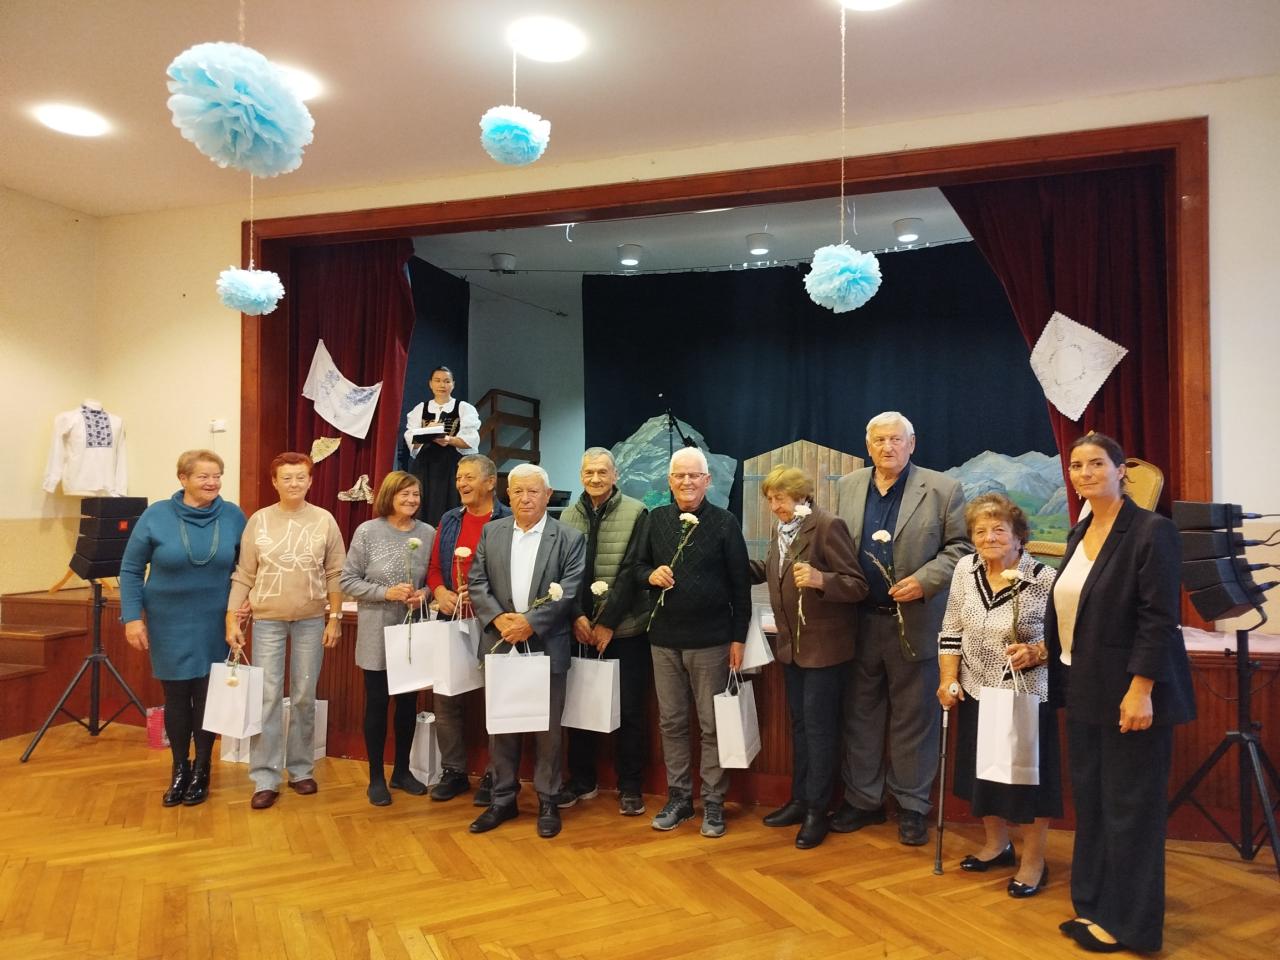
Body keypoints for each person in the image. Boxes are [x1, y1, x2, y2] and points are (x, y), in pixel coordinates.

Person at [1046, 433, 1194, 954]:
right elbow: (1077, 611)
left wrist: (1141, 689)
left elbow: (1159, 619)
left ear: (1120, 471)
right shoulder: (1080, 530)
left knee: (1131, 810)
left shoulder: (1153, 531)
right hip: (1083, 688)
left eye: (1096, 463)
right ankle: (1093, 905)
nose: (1084, 473)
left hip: (1132, 693)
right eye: (1076, 465)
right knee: (1093, 805)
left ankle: (1132, 927)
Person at [833, 411, 971, 845]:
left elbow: (961, 547)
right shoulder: (848, 486)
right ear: (868, 445)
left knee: (914, 719)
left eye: (896, 439)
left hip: (915, 623)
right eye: (879, 440)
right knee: (860, 716)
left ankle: (912, 805)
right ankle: (863, 801)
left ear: (912, 444)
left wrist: (925, 581)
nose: (887, 447)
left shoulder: (943, 489)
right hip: (858, 622)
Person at [936, 492, 1061, 896]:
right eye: (980, 531)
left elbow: (1064, 639)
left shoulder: (1043, 579)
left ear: (1019, 536)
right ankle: (997, 845)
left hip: (1024, 696)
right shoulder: (965, 569)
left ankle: (1033, 861)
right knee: (983, 776)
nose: (988, 537)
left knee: (1026, 784)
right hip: (976, 690)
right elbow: (951, 628)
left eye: (999, 530)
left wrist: (1037, 652)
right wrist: (948, 678)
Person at [634, 447, 751, 839]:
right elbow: (635, 568)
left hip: (712, 642)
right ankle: (680, 797)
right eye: (679, 475)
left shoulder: (724, 522)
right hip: (664, 640)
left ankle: (714, 801)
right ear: (669, 481)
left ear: (707, 481)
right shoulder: (654, 520)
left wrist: (738, 637)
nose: (686, 482)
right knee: (671, 723)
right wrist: (650, 576)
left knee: (712, 724)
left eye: (694, 475)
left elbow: (740, 586)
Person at [749, 465, 867, 849]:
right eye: (770, 499)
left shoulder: (828, 526)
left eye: (780, 498)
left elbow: (857, 585)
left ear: (801, 495)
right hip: (792, 648)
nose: (774, 506)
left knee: (819, 731)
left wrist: (822, 580)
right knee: (800, 728)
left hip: (824, 651)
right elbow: (774, 571)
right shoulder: (781, 529)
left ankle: (818, 809)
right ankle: (800, 800)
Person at [120, 449, 246, 806]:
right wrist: (132, 617)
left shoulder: (234, 516)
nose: (212, 483)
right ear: (183, 478)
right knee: (176, 696)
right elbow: (131, 569)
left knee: (208, 695)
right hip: (168, 619)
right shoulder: (156, 515)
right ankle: (179, 768)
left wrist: (244, 604)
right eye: (203, 476)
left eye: (217, 476)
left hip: (215, 619)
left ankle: (203, 767)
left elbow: (247, 567)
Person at [467, 463, 586, 838]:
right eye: (517, 491)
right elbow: (477, 581)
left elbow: (570, 589)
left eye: (533, 491)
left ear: (548, 495)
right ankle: (503, 799)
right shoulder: (492, 532)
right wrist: (499, 619)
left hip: (546, 644)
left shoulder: (569, 537)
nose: (525, 498)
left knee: (548, 730)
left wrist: (530, 622)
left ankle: (549, 799)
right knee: (502, 724)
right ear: (508, 494)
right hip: (501, 642)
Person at [226, 452, 347, 810]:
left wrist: (335, 618)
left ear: (310, 481)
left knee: (305, 695)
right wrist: (232, 617)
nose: (294, 483)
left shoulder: (324, 520)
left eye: (300, 477)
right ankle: (265, 776)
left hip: (311, 619)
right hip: (267, 620)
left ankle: (300, 769)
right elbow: (244, 574)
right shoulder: (259, 521)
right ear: (274, 482)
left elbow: (335, 573)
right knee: (268, 697)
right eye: (287, 478)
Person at [558, 447, 652, 816]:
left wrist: (608, 622)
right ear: (581, 475)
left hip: (625, 631)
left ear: (615, 475)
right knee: (580, 708)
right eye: (589, 472)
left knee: (630, 711)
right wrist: (577, 616)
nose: (595, 478)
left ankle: (630, 785)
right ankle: (582, 780)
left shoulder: (637, 512)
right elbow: (563, 573)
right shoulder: (567, 515)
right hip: (579, 632)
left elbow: (632, 570)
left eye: (602, 472)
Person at [340, 471, 435, 806]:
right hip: (375, 631)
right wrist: (386, 593)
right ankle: (376, 777)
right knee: (378, 703)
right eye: (404, 494)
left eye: (416, 494)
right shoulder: (368, 531)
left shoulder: (428, 533)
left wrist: (424, 594)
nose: (411, 500)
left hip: (411, 631)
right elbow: (347, 581)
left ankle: (402, 771)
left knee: (408, 703)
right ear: (389, 496)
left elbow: (433, 580)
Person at [424, 454, 510, 805]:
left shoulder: (507, 519)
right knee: (446, 698)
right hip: (451, 620)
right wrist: (440, 592)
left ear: (490, 482)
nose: (461, 483)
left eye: (469, 477)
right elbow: (433, 569)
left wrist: (482, 598)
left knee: (497, 698)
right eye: (459, 477)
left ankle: (496, 774)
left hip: (494, 622)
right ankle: (454, 771)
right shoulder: (449, 519)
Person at [403, 366, 480, 526]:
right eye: (437, 381)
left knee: (451, 501)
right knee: (424, 503)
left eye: (446, 381)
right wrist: (426, 433)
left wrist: (449, 439)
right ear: (430, 384)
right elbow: (411, 438)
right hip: (425, 465)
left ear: (453, 384)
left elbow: (471, 440)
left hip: (452, 465)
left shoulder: (464, 408)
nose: (442, 385)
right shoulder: (420, 409)